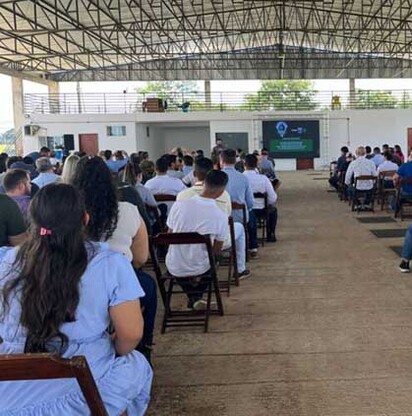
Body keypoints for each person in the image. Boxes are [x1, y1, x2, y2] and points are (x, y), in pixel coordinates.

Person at [0, 184, 152, 414]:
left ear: (33, 221)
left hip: (11, 387)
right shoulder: (109, 262)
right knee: (136, 365)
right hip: (83, 385)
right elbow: (131, 334)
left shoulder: (8, 260)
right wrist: (110, 347)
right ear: (85, 219)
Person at [73, 157, 156, 359]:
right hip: (119, 276)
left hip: (74, 276)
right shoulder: (127, 210)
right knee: (148, 287)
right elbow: (140, 258)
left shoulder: (68, 213)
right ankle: (143, 345)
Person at [167, 170, 238, 308]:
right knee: (216, 259)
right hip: (201, 267)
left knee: (181, 263)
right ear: (222, 191)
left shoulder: (179, 205)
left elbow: (169, 235)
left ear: (204, 183)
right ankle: (196, 296)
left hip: (174, 264)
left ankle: (194, 298)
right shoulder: (220, 216)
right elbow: (216, 250)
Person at [177, 158, 249, 278]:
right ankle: (240, 269)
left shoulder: (182, 195)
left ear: (194, 174)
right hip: (215, 243)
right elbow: (227, 217)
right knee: (239, 227)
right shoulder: (223, 194)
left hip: (185, 242)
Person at [220, 149, 256, 255]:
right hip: (240, 217)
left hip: (220, 217)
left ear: (221, 161)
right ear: (236, 161)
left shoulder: (215, 177)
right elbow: (250, 203)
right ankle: (247, 250)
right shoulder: (243, 178)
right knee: (250, 215)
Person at [244, 154, 279, 242]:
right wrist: (266, 203)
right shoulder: (263, 178)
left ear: (244, 164)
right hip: (262, 210)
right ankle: (270, 234)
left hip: (244, 211)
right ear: (257, 164)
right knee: (273, 210)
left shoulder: (240, 178)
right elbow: (273, 198)